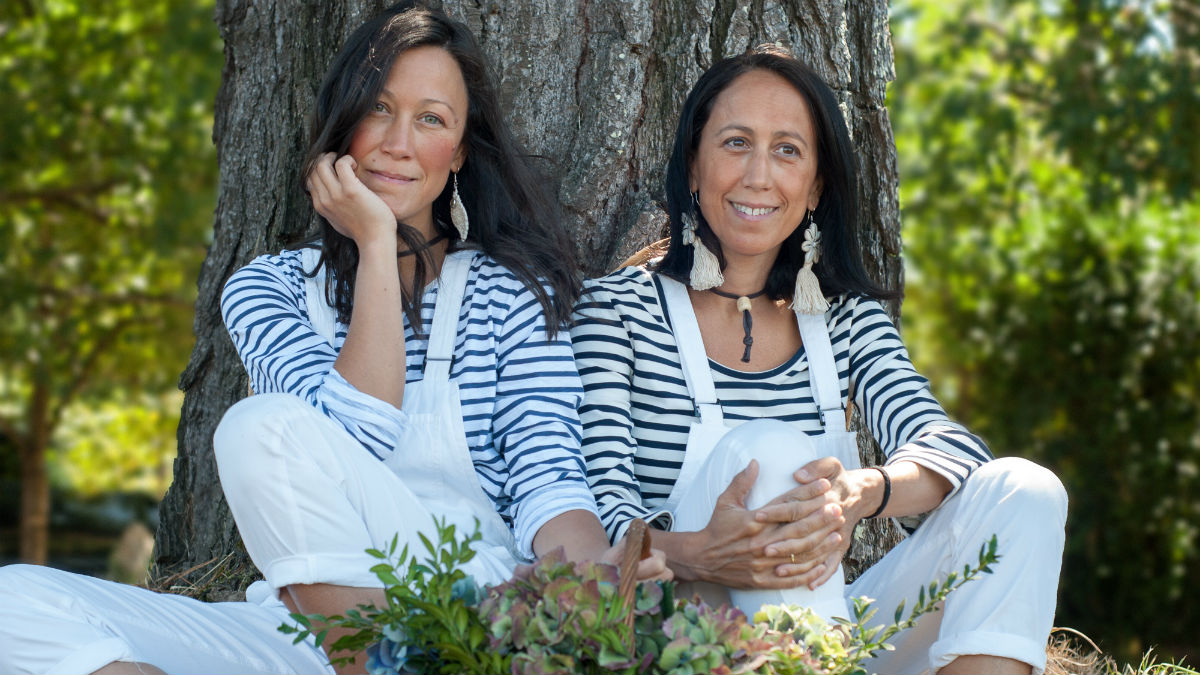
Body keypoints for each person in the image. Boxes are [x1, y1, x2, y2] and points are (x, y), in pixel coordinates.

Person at [0, 4, 664, 674]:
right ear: (343, 122)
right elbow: (357, 435)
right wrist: (377, 246)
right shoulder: (270, 288)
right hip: (307, 621)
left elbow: (548, 478)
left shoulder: (510, 291)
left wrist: (586, 590)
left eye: (431, 119)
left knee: (257, 427)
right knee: (13, 601)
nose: (397, 142)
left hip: (466, 605)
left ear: (460, 150)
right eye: (378, 108)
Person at [571, 45, 1067, 675]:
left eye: (787, 151)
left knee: (1025, 491)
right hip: (681, 630)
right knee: (775, 456)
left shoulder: (844, 321)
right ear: (693, 167)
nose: (758, 175)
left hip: (824, 628)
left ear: (814, 189)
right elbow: (604, 513)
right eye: (734, 143)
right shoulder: (618, 312)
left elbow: (952, 448)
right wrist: (704, 554)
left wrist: (862, 491)